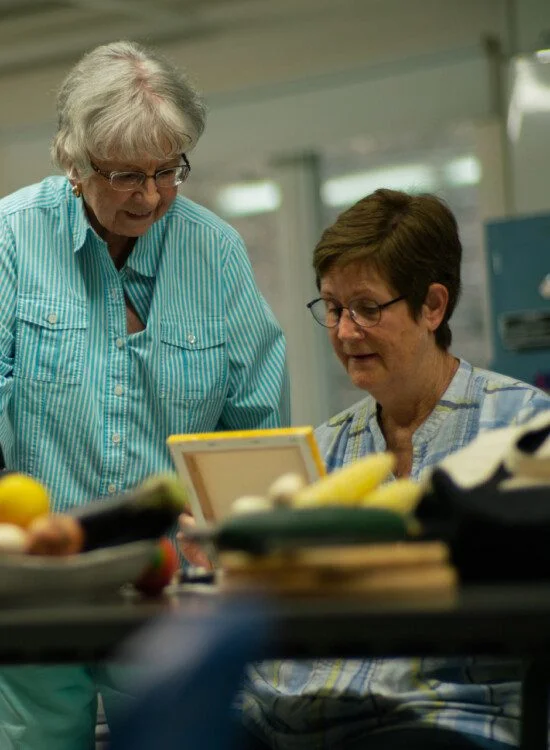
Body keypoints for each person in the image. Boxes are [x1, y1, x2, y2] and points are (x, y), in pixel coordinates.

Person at [0, 40, 288, 749]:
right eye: (126, 175)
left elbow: (251, 427)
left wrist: (237, 549)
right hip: (39, 590)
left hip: (174, 587)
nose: (151, 195)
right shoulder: (10, 241)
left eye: (168, 171)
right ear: (74, 161)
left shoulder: (213, 251)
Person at [237, 189, 550, 750]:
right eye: (333, 308)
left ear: (433, 306)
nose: (345, 332)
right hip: (291, 720)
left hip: (439, 721)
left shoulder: (528, 433)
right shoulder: (325, 448)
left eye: (367, 308)